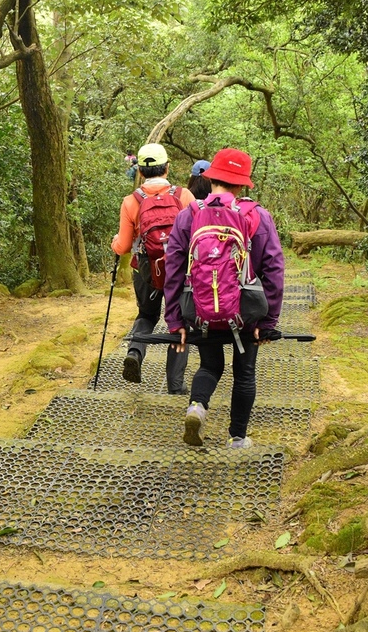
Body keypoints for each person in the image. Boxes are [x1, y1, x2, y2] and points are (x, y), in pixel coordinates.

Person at [164, 148, 284, 449]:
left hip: (201, 310)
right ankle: (237, 438)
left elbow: (174, 269)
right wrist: (268, 321)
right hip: (245, 313)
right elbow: (274, 269)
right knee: (244, 372)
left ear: (212, 177)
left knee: (209, 366)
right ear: (242, 184)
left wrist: (175, 319)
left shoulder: (188, 215)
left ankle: (196, 408)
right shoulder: (258, 216)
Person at [112, 142, 194, 391]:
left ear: (140, 171)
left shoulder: (131, 201)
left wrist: (114, 243)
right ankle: (176, 385)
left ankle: (135, 352)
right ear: (167, 168)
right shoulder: (184, 197)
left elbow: (124, 246)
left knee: (147, 315)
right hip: (180, 271)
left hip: (146, 272)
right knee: (180, 323)